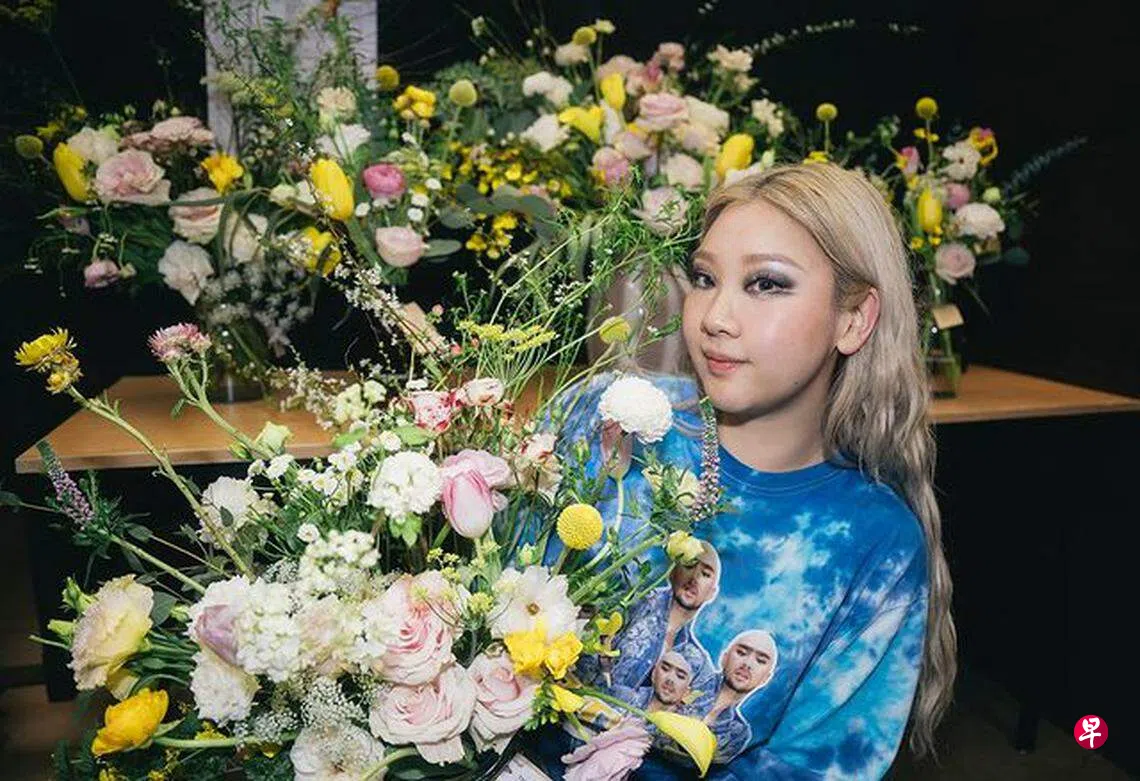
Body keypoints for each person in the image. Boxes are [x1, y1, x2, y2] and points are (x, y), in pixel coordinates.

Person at [525, 163, 956, 779]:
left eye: (766, 284)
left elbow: (815, 766)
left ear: (853, 319)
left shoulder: (873, 541)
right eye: (705, 278)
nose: (715, 317)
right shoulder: (610, 418)